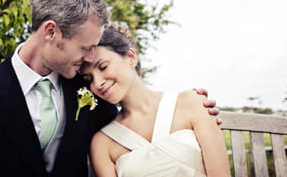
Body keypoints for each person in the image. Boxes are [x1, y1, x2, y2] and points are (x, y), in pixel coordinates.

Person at [0, 0, 218, 177]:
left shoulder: (86, 88)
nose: (90, 58)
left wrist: (192, 108)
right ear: (51, 32)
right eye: (85, 47)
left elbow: (134, 116)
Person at [81, 24, 231, 177]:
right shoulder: (102, 143)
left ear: (131, 57)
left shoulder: (192, 103)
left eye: (103, 66)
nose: (97, 83)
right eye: (89, 78)